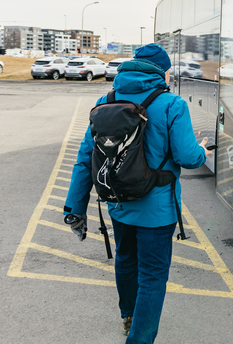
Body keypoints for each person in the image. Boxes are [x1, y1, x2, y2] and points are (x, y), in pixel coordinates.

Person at [63, 43, 211, 343]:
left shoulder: (106, 101)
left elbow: (84, 159)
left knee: (126, 259)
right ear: (161, 70)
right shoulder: (172, 104)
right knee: (153, 276)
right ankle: (139, 339)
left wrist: (74, 208)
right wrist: (202, 150)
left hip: (118, 203)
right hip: (157, 209)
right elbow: (188, 157)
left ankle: (128, 318)